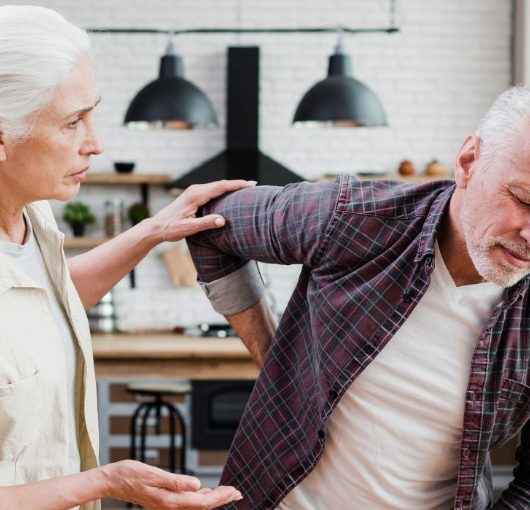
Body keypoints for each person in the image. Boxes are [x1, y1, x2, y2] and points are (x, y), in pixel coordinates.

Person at [187, 86, 530, 509]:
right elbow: (207, 221)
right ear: (468, 161)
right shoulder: (354, 219)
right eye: (523, 200)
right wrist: (268, 349)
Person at [0, 5, 252, 510]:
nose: (95, 144)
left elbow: (47, 302)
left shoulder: (35, 218)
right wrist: (104, 482)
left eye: (92, 113)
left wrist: (154, 231)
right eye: (73, 123)